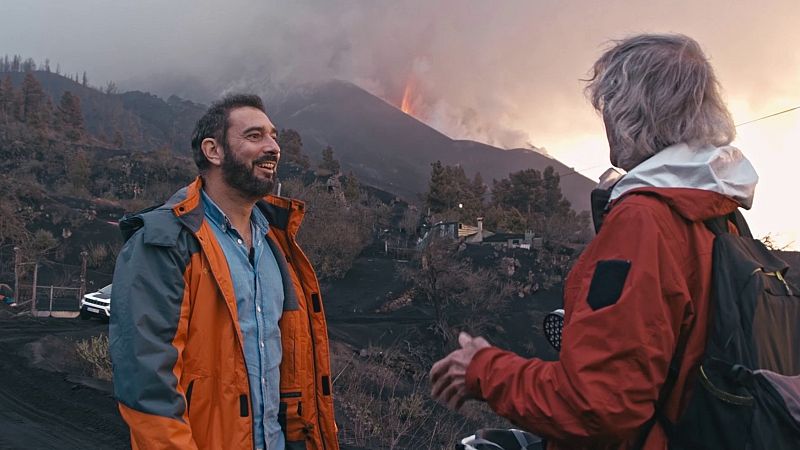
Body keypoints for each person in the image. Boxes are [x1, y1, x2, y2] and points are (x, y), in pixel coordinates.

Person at [430, 34, 758, 449]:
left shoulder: (645, 221)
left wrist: (483, 370)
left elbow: (598, 406)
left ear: (631, 112)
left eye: (609, 105)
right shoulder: (718, 215)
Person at [110, 94, 339, 450]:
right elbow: (148, 385)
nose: (273, 147)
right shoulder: (166, 242)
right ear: (213, 151)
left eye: (273, 136)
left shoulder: (279, 245)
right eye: (254, 136)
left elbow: (294, 372)